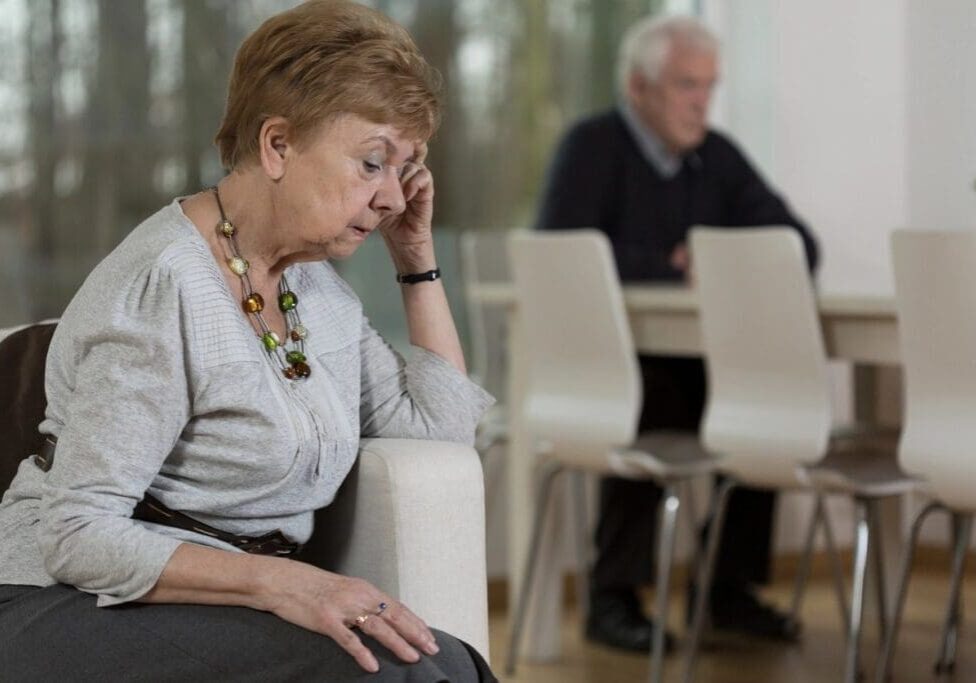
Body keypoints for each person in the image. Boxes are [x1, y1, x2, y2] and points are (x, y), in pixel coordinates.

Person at [0, 2, 497, 680]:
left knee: (451, 662)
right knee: (391, 672)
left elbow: (440, 431)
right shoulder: (164, 286)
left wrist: (415, 258)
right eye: (372, 162)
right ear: (278, 145)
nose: (391, 198)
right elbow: (77, 534)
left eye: (405, 167)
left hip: (213, 601)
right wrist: (286, 583)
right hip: (62, 602)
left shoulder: (316, 290)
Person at [536, 15, 819, 653]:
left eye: (709, 87)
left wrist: (718, 258)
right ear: (639, 86)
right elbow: (560, 254)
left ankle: (726, 590)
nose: (702, 103)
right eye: (687, 86)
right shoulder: (592, 146)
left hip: (701, 362)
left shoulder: (715, 156)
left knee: (764, 392)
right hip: (607, 366)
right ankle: (612, 598)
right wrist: (668, 263)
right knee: (657, 390)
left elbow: (798, 244)